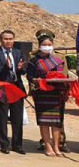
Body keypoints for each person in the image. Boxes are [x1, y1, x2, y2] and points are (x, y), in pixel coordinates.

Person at [26, 29, 69, 158]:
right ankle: (47, 145)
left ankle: (57, 146)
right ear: (39, 45)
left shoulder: (59, 57)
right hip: (42, 93)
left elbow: (65, 75)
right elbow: (30, 76)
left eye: (49, 45)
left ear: (53, 44)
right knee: (44, 121)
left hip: (56, 92)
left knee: (56, 121)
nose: (47, 47)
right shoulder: (34, 59)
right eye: (44, 45)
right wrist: (36, 85)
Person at [0, 30, 26, 155]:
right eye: (6, 39)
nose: (8, 41)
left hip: (16, 87)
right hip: (2, 88)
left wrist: (21, 68)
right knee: (3, 117)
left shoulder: (18, 52)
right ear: (1, 40)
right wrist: (5, 67)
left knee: (17, 118)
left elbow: (23, 69)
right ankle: (4, 144)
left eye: (11, 39)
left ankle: (17, 144)